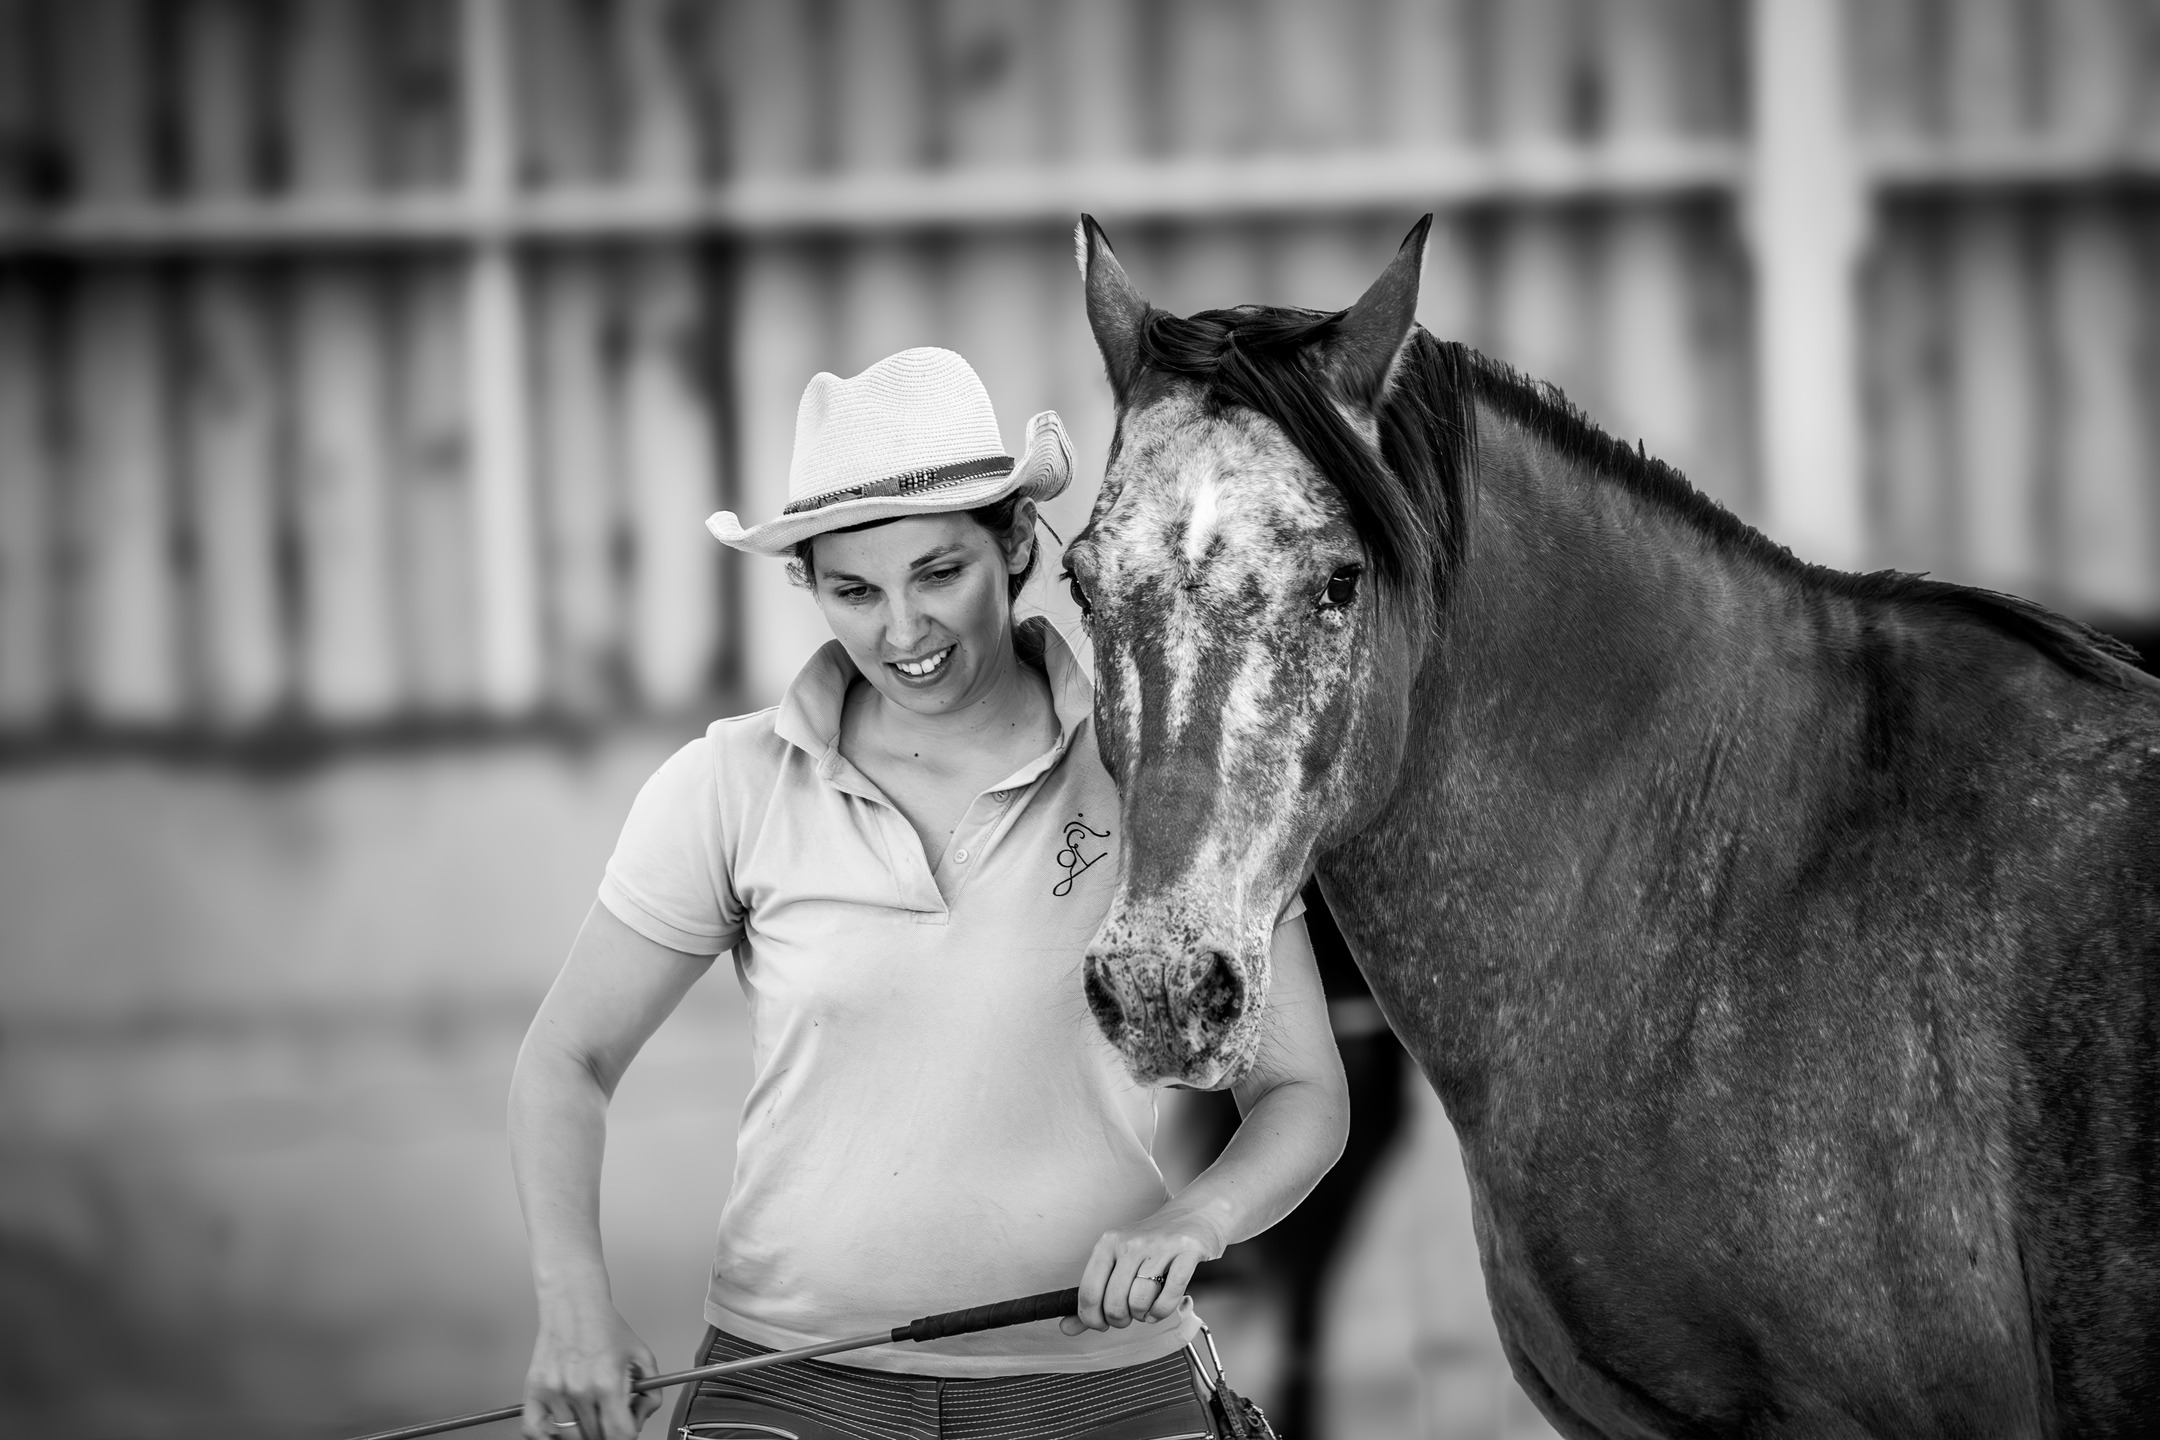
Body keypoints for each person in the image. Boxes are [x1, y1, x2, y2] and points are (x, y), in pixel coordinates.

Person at [507, 347, 1350, 1440]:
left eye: (938, 574)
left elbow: (1301, 1095)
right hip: (789, 1390)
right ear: (807, 582)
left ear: (1014, 544)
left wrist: (1198, 1217)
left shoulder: (1164, 781)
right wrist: (573, 1303)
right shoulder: (730, 786)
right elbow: (564, 1063)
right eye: (854, 591)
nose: (902, 633)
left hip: (1103, 1394)